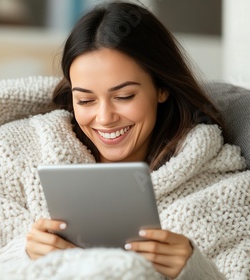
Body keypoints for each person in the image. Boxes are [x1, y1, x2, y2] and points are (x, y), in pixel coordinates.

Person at [25, 2, 230, 279]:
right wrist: (27, 253)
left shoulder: (218, 185)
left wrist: (196, 271)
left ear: (162, 89)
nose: (105, 117)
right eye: (85, 100)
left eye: (124, 97)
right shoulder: (28, 153)